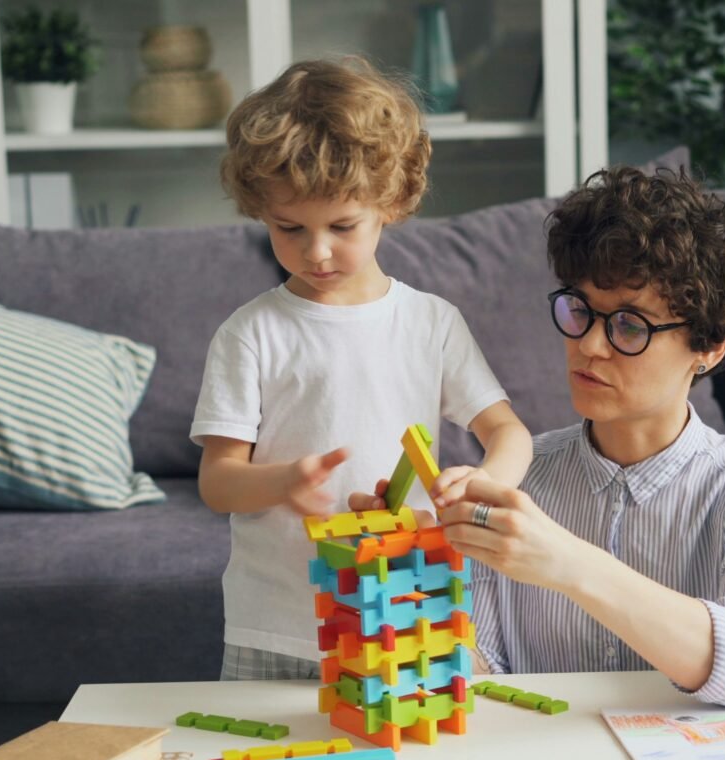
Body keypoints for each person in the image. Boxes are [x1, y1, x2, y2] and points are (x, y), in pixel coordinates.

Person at [193, 58, 533, 681]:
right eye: (288, 228)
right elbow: (218, 482)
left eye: (342, 226)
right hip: (277, 624)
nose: (316, 251)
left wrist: (479, 488)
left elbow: (509, 433)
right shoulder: (250, 333)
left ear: (392, 203)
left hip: (399, 611)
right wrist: (283, 482)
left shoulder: (431, 323)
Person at [433, 166, 725, 707]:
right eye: (581, 310)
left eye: (629, 325)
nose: (589, 346)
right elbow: (482, 666)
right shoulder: (518, 477)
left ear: (710, 347)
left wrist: (569, 563)